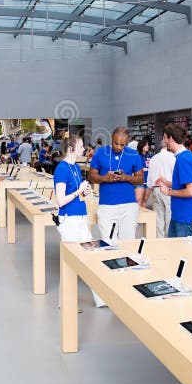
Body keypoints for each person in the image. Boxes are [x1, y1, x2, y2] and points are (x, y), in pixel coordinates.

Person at [53, 134, 104, 308]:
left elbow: (77, 195)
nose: (84, 148)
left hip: (81, 218)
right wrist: (78, 191)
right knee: (69, 262)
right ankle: (64, 301)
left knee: (91, 256)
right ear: (72, 148)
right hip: (70, 220)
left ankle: (100, 299)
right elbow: (60, 201)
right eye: (81, 146)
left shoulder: (74, 168)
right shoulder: (62, 169)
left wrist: (83, 192)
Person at [87, 127, 145, 241]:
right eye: (115, 143)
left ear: (127, 142)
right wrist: (105, 178)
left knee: (128, 242)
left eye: (122, 145)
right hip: (107, 205)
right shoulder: (100, 153)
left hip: (129, 205)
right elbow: (91, 176)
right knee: (109, 242)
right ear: (111, 139)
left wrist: (126, 177)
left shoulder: (133, 154)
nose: (118, 147)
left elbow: (140, 179)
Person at [157, 124, 192, 238]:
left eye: (164, 138)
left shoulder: (183, 159)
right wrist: (167, 183)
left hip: (185, 217)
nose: (163, 141)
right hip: (181, 215)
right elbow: (186, 184)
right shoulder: (185, 157)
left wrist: (169, 191)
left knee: (183, 253)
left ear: (171, 138)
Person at [146, 136, 175, 238]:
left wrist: (147, 196)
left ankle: (160, 239)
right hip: (169, 189)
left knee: (159, 217)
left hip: (156, 189)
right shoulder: (173, 158)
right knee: (169, 216)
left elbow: (149, 179)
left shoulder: (154, 158)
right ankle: (168, 239)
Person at [134, 139, 151, 207]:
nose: (148, 146)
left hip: (148, 181)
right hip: (140, 181)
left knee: (145, 200)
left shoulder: (150, 156)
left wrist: (145, 169)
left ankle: (143, 216)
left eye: (148, 145)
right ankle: (137, 216)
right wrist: (146, 169)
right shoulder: (137, 156)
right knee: (138, 199)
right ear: (142, 146)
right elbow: (137, 169)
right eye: (146, 145)